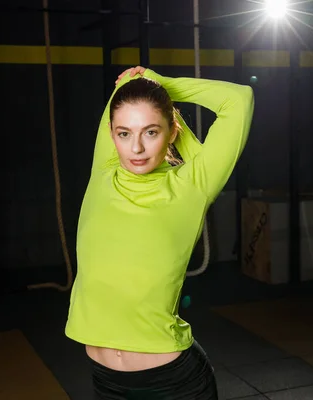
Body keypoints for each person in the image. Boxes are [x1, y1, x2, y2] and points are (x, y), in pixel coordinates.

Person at [64, 65, 254, 399]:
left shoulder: (191, 186)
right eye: (124, 133)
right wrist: (140, 83)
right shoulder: (104, 172)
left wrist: (164, 84)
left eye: (150, 132)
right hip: (106, 383)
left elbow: (239, 98)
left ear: (172, 131)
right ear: (112, 135)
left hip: (174, 385)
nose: (135, 148)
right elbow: (126, 87)